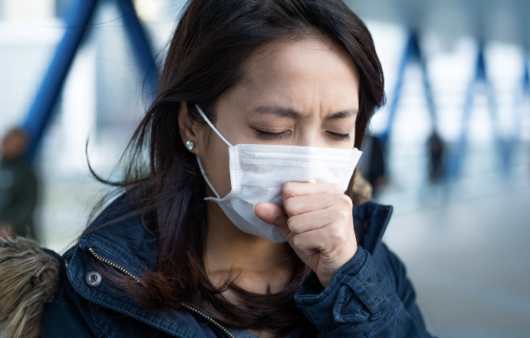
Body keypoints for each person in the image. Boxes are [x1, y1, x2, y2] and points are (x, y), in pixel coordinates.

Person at [0, 1, 434, 337]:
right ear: (192, 122)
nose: (308, 164)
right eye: (273, 130)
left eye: (338, 132)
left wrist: (349, 281)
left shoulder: (373, 266)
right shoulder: (98, 292)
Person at [0, 128, 38, 243]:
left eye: (11, 139)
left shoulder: (26, 172)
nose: (5, 141)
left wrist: (9, 224)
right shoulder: (2, 167)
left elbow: (28, 204)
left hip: (19, 237)